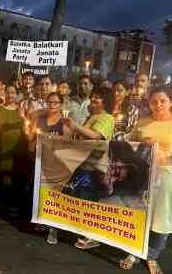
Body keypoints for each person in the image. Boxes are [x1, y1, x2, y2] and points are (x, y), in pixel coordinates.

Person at [119, 86, 172, 274]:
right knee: (138, 214)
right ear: (148, 103)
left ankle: (152, 256)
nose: (158, 105)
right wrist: (141, 144)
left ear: (170, 102)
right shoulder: (142, 122)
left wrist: (162, 152)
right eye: (154, 101)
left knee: (161, 218)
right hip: (140, 177)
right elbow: (127, 142)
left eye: (162, 101)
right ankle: (133, 252)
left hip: (166, 179)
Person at [63, 86, 115, 250]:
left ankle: (92, 236)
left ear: (105, 101)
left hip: (96, 168)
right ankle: (83, 231)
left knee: (91, 201)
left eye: (98, 97)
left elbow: (95, 136)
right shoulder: (92, 116)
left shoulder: (107, 118)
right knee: (81, 197)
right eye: (93, 96)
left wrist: (74, 125)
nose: (93, 99)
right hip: (84, 164)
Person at [25, 92, 72, 245]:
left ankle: (54, 229)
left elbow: (67, 144)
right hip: (40, 162)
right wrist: (30, 135)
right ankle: (42, 220)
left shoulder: (65, 122)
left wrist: (50, 139)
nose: (52, 105)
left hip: (57, 165)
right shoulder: (39, 119)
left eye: (56, 102)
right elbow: (31, 140)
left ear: (61, 104)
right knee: (40, 193)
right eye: (49, 102)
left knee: (55, 198)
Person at [0, 85, 23, 209]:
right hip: (0, 147)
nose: (10, 95)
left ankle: (11, 203)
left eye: (13, 92)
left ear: (17, 94)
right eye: (7, 92)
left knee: (13, 175)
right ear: (4, 94)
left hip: (16, 149)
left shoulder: (21, 110)